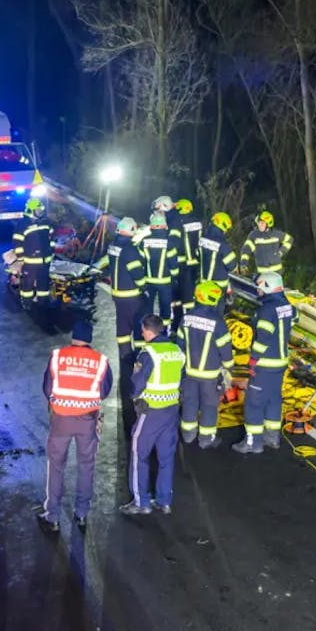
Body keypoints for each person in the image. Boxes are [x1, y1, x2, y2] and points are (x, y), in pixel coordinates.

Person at [39, 319, 113, 533]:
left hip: (61, 419)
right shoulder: (100, 361)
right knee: (86, 466)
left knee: (56, 466)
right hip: (87, 421)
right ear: (90, 339)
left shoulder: (57, 356)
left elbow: (47, 388)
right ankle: (81, 514)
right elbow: (104, 391)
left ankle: (52, 515)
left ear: (73, 337)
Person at [120, 315, 185, 515]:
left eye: (142, 331)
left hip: (151, 411)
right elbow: (181, 379)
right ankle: (164, 500)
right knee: (166, 457)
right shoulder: (176, 351)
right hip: (172, 411)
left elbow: (137, 385)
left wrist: (132, 397)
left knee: (139, 454)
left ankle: (141, 502)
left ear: (148, 331)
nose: (141, 334)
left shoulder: (148, 353)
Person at [234, 272, 294, 454]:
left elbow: (263, 338)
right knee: (273, 399)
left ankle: (253, 442)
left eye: (260, 286)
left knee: (254, 402)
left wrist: (253, 361)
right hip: (280, 362)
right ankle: (272, 437)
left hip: (266, 364)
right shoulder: (287, 305)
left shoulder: (266, 310)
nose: (258, 290)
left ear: (267, 287)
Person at [179, 281, 233, 448]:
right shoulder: (218, 322)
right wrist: (228, 368)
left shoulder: (186, 318)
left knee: (189, 403)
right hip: (210, 376)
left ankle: (188, 435)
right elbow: (225, 350)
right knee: (209, 407)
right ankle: (206, 439)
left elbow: (180, 346)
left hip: (189, 374)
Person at [94, 217, 147, 386]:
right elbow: (137, 273)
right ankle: (139, 355)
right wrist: (144, 287)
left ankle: (124, 354)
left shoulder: (114, 246)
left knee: (122, 324)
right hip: (131, 295)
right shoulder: (130, 250)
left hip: (117, 294)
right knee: (138, 326)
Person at [138, 213, 180, 322]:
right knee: (165, 309)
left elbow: (140, 262)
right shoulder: (169, 242)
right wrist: (175, 278)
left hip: (148, 282)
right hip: (165, 282)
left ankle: (148, 330)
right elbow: (173, 264)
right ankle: (164, 332)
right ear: (164, 225)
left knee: (147, 308)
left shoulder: (143, 241)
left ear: (151, 226)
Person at [14, 198, 54, 308]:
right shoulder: (23, 224)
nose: (40, 212)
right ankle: (27, 303)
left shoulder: (45, 222)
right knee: (28, 283)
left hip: (45, 260)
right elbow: (18, 243)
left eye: (41, 210)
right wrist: (21, 258)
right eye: (38, 210)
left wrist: (51, 251)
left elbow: (51, 238)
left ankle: (43, 301)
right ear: (31, 210)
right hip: (30, 261)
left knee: (43, 282)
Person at [174, 199, 202, 329]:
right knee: (191, 295)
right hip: (195, 263)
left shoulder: (178, 222)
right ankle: (192, 323)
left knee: (179, 296)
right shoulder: (198, 222)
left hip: (182, 263)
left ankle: (177, 324)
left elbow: (176, 243)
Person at [239, 211, 293, 277]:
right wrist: (244, 264)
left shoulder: (276, 234)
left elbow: (289, 240)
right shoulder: (254, 235)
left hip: (277, 272)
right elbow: (246, 250)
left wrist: (281, 252)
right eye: (259, 223)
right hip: (262, 273)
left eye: (262, 223)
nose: (260, 225)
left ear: (268, 224)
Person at [198, 211, 238, 292]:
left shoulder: (202, 239)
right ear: (223, 226)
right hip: (218, 286)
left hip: (203, 283)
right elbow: (232, 266)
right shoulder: (222, 245)